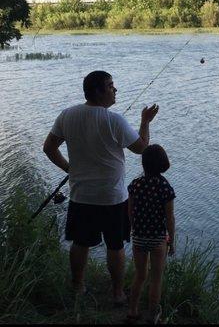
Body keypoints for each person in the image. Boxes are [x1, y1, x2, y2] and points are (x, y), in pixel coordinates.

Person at [43, 70, 159, 305]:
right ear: (97, 91)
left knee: (80, 243)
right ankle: (117, 293)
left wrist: (69, 169)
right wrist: (145, 121)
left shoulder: (67, 115)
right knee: (115, 246)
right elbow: (143, 148)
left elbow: (49, 148)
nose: (115, 89)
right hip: (112, 198)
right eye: (110, 86)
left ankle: (77, 287)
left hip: (80, 195)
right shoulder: (114, 120)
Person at [127, 144, 176, 324]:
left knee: (140, 275)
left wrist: (134, 229)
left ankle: (132, 310)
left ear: (144, 163)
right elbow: (169, 218)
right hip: (157, 240)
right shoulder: (165, 187)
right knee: (156, 278)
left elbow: (130, 212)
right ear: (163, 163)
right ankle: (152, 315)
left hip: (139, 237)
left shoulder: (135, 184)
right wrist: (171, 240)